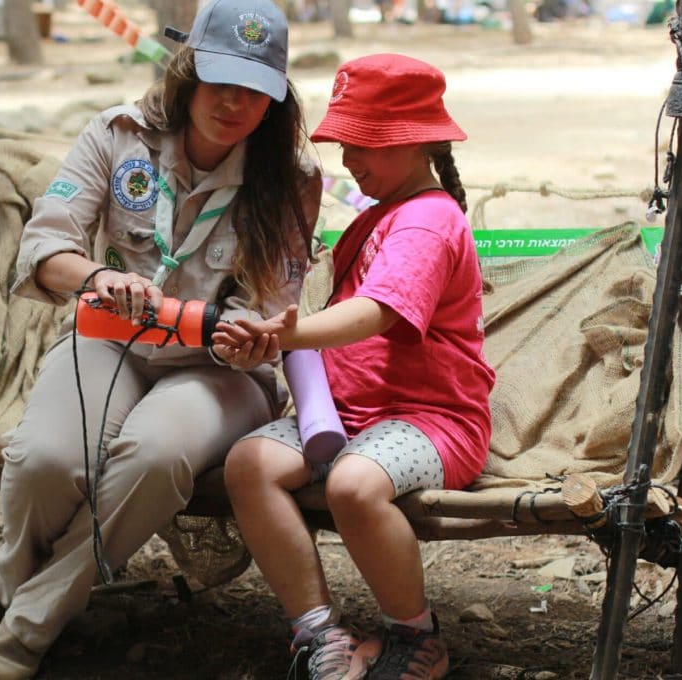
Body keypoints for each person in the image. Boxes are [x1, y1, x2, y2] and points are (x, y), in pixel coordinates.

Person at [0, 2, 322, 679]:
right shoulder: (115, 135)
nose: (235, 102)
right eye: (222, 80)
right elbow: (46, 245)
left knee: (154, 456)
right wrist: (100, 278)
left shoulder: (292, 177)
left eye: (256, 90)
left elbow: (275, 302)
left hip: (217, 369)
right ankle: (4, 578)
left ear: (276, 98)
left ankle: (26, 625)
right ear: (188, 71)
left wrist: (251, 339)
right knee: (46, 458)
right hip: (110, 337)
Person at [215, 53, 495, 680]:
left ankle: (416, 637)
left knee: (351, 485)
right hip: (349, 418)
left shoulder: (427, 218)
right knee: (249, 464)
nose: (350, 160)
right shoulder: (379, 213)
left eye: (369, 143)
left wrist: (288, 332)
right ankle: (318, 632)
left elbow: (378, 314)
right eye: (347, 142)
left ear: (421, 142)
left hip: (433, 420)